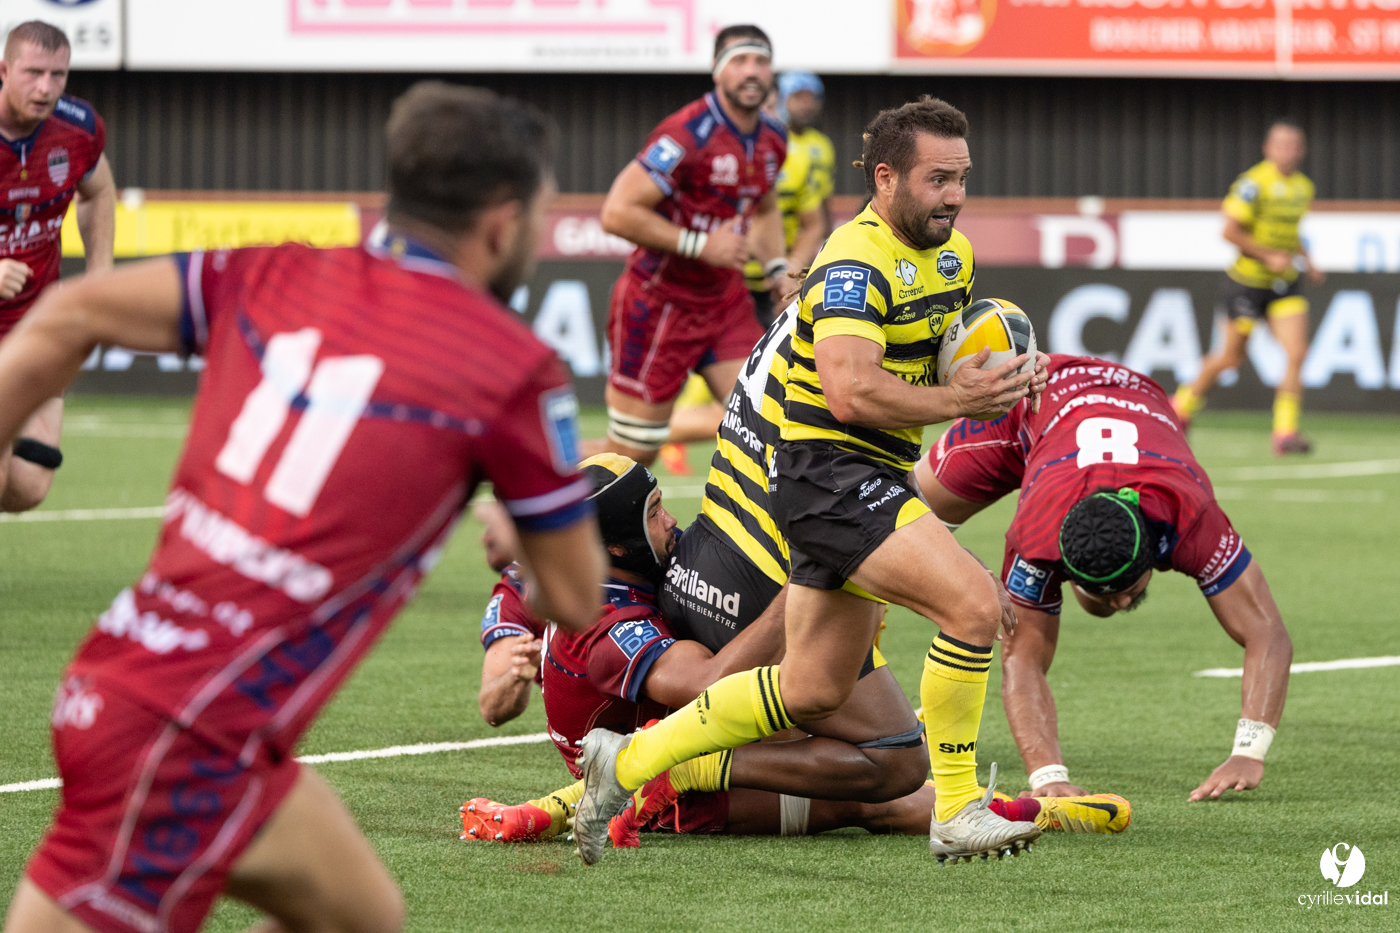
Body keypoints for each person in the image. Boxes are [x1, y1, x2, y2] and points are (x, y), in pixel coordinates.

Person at [0, 83, 608, 933]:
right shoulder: (511, 367)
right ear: (503, 224)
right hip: (188, 735)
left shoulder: (275, 268)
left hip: (143, 685)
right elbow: (579, 602)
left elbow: (66, 312)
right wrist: (522, 537)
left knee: (362, 915)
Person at [573, 96, 1052, 867]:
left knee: (810, 687)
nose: (955, 196)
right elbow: (851, 393)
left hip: (871, 470)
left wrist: (990, 372)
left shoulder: (953, 258)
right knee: (971, 602)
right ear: (887, 177)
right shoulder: (855, 260)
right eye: (938, 180)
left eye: (962, 178)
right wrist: (962, 400)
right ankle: (957, 809)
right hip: (828, 476)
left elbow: (930, 359)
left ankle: (623, 763)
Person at [917, 354, 1294, 803]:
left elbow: (1267, 632)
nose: (1116, 606)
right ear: (1060, 562)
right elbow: (1024, 656)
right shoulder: (1036, 533)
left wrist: (1249, 752)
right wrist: (1046, 776)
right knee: (892, 523)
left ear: (1158, 551)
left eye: (1128, 590)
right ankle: (863, 702)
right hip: (1030, 405)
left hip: (1134, 392)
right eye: (1101, 592)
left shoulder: (1189, 515)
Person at [598, 24, 787, 467]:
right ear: (717, 72)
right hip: (659, 304)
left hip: (724, 302)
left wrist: (778, 267)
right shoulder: (686, 133)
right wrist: (698, 244)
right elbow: (617, 212)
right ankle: (557, 505)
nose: (752, 71)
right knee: (633, 456)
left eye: (761, 61)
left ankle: (745, 534)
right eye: (740, 61)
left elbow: (763, 209)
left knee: (771, 422)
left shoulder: (773, 138)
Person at [0, 21, 115, 513]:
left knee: (28, 485)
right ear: (4, 70)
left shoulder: (79, 127)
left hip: (37, 325)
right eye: (32, 73)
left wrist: (101, 277)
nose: (45, 88)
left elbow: (99, 190)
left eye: (58, 74)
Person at [1172, 119, 1322, 456]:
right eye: (1280, 144)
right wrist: (1268, 256)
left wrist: (1308, 260)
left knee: (1297, 352)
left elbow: (1288, 232)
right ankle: (1180, 406)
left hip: (1284, 283)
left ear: (1302, 150)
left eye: (1294, 145)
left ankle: (1285, 432)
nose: (1288, 151)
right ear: (1268, 149)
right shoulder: (1253, 184)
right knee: (1230, 358)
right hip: (1246, 283)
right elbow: (1229, 231)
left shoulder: (1303, 187)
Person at [743, 71, 835, 328]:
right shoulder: (717, 153)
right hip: (728, 281)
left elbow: (817, 221)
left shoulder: (800, 155)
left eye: (772, 107)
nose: (766, 116)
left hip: (776, 281)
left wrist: (790, 268)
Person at [473, 501, 544, 728]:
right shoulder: (515, 593)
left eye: (497, 525)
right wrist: (522, 670)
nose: (486, 539)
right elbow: (491, 709)